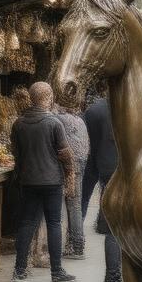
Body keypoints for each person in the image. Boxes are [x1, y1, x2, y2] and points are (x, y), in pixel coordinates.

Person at [10, 81, 75, 282]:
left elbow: (16, 154)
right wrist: (70, 175)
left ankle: (19, 271)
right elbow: (65, 154)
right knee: (54, 222)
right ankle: (57, 272)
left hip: (28, 180)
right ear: (48, 98)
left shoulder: (18, 123)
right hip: (52, 180)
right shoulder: (54, 123)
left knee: (27, 223)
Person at [83, 96, 124, 282]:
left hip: (110, 176)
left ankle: (113, 280)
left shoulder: (95, 112)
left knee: (113, 230)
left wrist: (83, 197)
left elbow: (91, 155)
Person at [54, 95, 90, 260]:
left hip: (68, 166)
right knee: (76, 204)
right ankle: (77, 245)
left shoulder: (59, 119)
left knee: (68, 205)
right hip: (80, 163)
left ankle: (72, 246)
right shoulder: (80, 120)